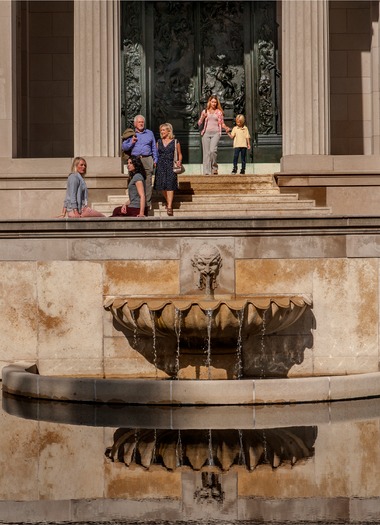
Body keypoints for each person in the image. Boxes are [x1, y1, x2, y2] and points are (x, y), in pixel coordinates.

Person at [121, 115, 158, 210]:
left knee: (148, 182)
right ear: (135, 124)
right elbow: (124, 147)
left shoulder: (149, 133)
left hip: (147, 158)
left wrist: (155, 160)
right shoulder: (130, 134)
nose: (141, 124)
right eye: (139, 122)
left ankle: (147, 204)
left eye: (142, 122)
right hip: (135, 160)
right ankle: (135, 203)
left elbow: (154, 147)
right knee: (135, 181)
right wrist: (131, 142)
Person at [198, 95, 230, 175]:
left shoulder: (219, 112)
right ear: (209, 102)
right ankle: (207, 171)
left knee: (213, 151)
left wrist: (226, 128)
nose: (214, 103)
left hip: (216, 133)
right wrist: (203, 117)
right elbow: (199, 123)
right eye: (212, 102)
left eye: (215, 102)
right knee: (206, 153)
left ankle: (214, 168)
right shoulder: (205, 111)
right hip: (206, 133)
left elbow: (222, 123)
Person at [154, 123, 182, 216]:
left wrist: (179, 161)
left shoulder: (175, 142)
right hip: (161, 165)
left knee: (170, 185)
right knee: (161, 185)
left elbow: (179, 154)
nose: (162, 132)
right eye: (161, 130)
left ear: (168, 131)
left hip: (171, 164)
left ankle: (169, 206)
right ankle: (167, 200)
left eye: (163, 130)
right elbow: (156, 154)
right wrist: (154, 161)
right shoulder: (158, 142)